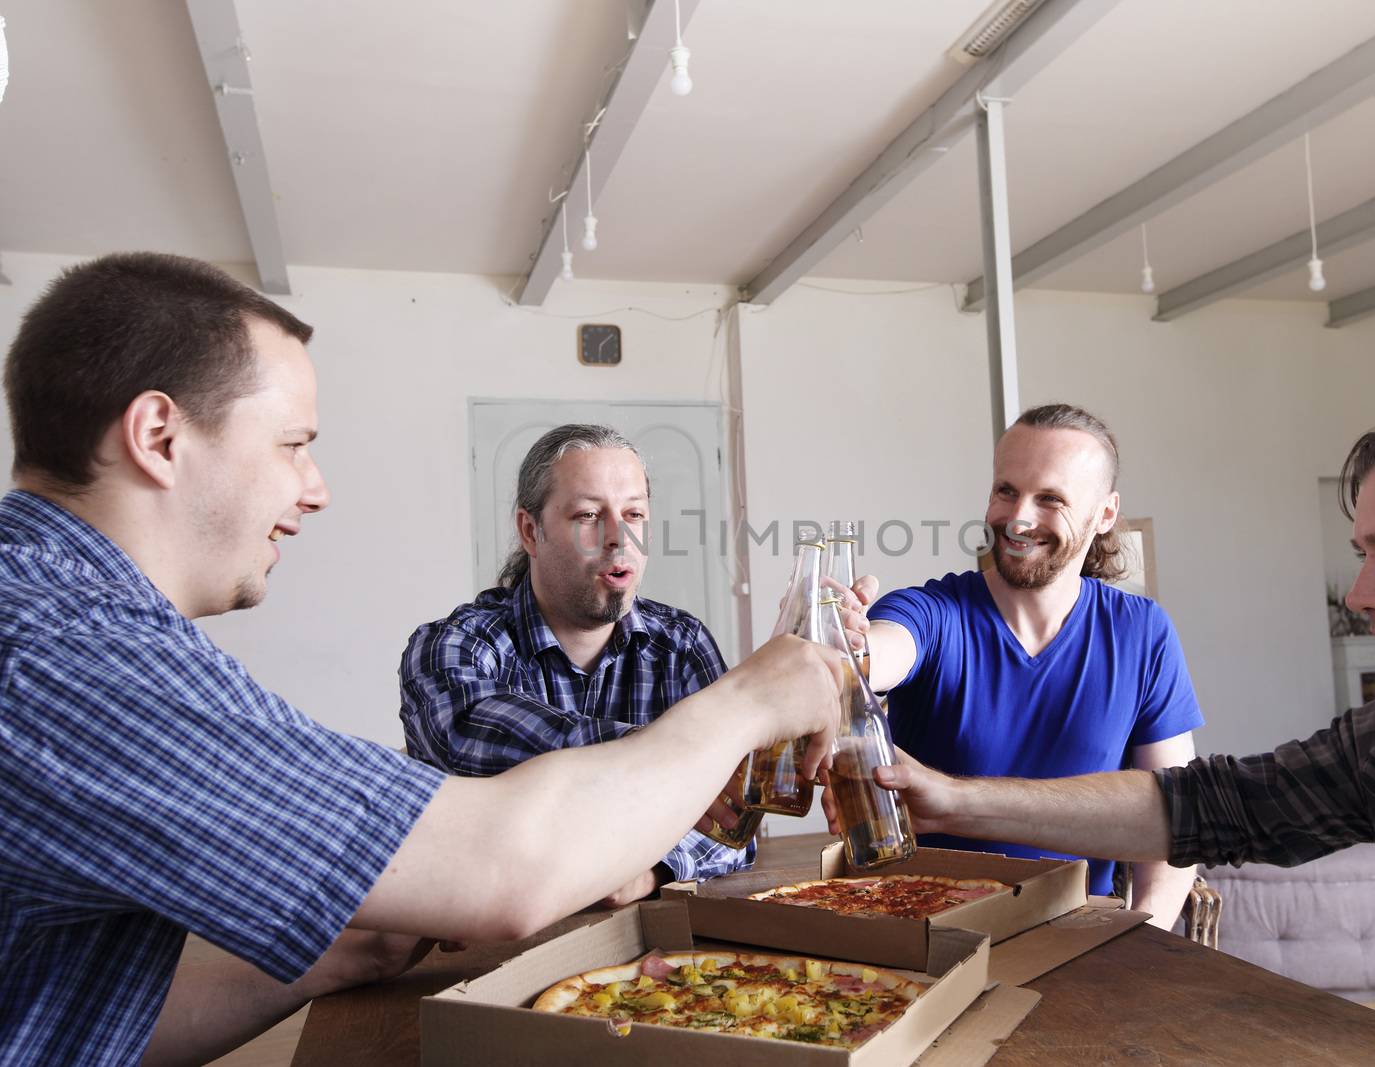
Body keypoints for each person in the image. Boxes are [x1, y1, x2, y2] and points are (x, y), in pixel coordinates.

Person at [0, 252, 841, 1066]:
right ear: (158, 434)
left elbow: (72, 1009)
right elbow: (503, 863)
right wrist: (749, 701)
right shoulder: (67, 653)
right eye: (294, 443)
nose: (315, 486)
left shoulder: (57, 618)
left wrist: (348, 955)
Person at [852, 392, 1375, 1065]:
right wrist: (949, 798)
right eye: (1361, 555)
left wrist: (1132, 930)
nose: (1362, 595)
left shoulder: (1137, 629)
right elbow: (1195, 807)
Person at [862, 403, 1203, 928]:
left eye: (1050, 499)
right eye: (1006, 490)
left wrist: (1142, 940)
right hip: (926, 931)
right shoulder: (933, 612)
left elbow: (1173, 822)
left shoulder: (1142, 632)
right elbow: (873, 655)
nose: (1018, 519)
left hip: (1076, 935)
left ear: (1105, 514)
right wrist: (840, 642)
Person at [400, 424, 747, 905]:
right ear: (530, 531)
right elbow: (464, 751)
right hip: (483, 942)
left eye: (634, 514)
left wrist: (649, 870)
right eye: (588, 515)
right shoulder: (451, 647)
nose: (617, 537)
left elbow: (734, 823)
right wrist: (674, 751)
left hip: (646, 945)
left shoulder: (682, 646)